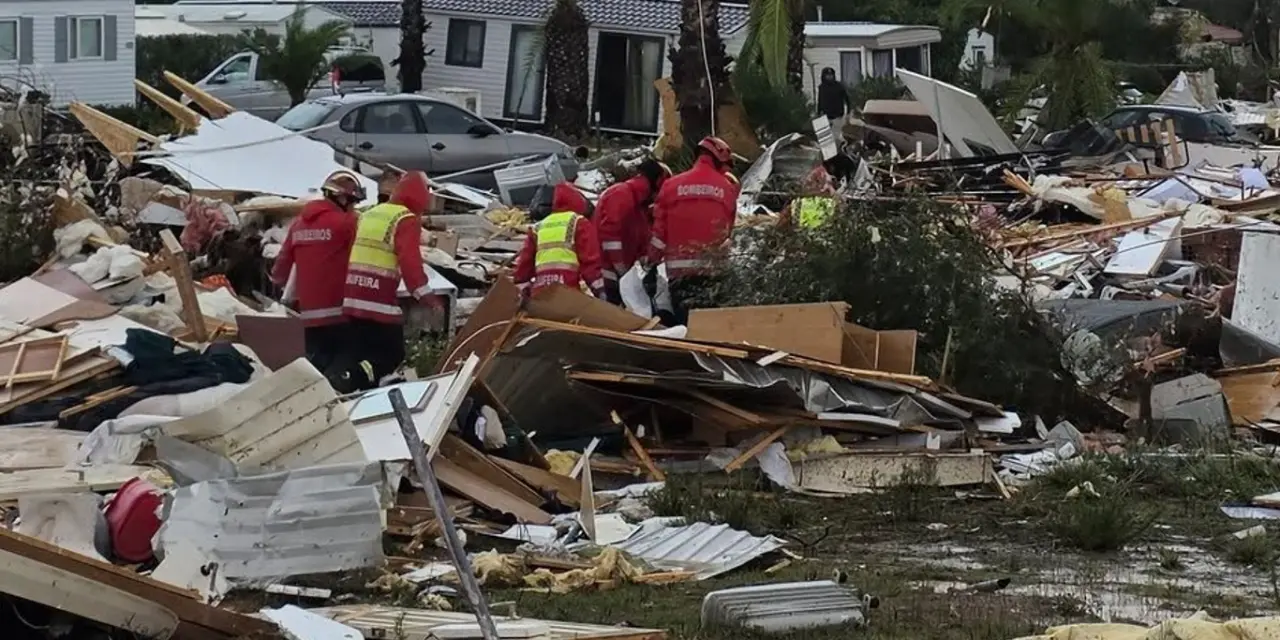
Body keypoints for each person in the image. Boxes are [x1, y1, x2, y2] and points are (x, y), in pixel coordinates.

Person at [336, 170, 437, 393]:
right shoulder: (406, 219)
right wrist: (427, 297)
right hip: (378, 300)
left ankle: (356, 385)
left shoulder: (370, 213)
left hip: (353, 296)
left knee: (364, 352)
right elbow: (411, 264)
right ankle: (354, 381)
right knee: (392, 354)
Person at [269, 170, 363, 372]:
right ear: (342, 198)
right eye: (353, 201)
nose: (354, 207)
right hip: (339, 312)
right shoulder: (347, 223)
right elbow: (360, 258)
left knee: (316, 368)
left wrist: (276, 284)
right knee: (342, 368)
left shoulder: (299, 225)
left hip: (308, 315)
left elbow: (282, 265)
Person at [646, 136, 738, 325]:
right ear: (718, 160)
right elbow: (728, 233)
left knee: (682, 329)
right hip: (712, 276)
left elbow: (658, 236)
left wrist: (651, 262)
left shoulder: (670, 186)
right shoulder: (727, 190)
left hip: (679, 278)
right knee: (707, 330)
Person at [513, 182, 607, 300]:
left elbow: (524, 263)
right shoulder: (578, 222)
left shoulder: (538, 226)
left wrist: (522, 288)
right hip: (568, 289)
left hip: (541, 291)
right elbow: (591, 261)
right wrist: (602, 291)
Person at [594, 159, 671, 304]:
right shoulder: (622, 194)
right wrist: (622, 270)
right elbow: (610, 236)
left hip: (621, 277)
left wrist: (646, 262)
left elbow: (641, 241)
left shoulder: (638, 204)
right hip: (610, 276)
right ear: (659, 182)